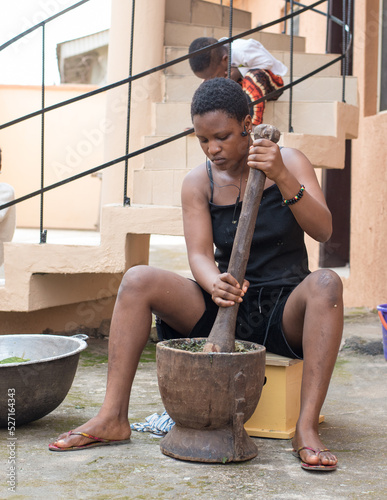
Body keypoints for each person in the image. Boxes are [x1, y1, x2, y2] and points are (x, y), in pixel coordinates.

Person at [49, 78, 342, 472]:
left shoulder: (290, 161)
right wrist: (213, 283)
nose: (213, 149)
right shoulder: (197, 182)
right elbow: (200, 254)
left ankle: (305, 430)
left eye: (221, 137)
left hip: (283, 309)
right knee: (138, 279)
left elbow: (323, 230)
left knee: (327, 284)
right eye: (203, 140)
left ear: (247, 123)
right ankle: (113, 416)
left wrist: (283, 177)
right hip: (222, 307)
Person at [188, 37, 288, 125]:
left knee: (253, 76)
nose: (209, 79)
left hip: (272, 85)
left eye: (212, 75)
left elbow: (268, 63)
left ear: (225, 59)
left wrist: (239, 71)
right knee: (211, 86)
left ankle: (253, 125)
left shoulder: (243, 49)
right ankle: (206, 123)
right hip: (244, 88)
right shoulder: (216, 63)